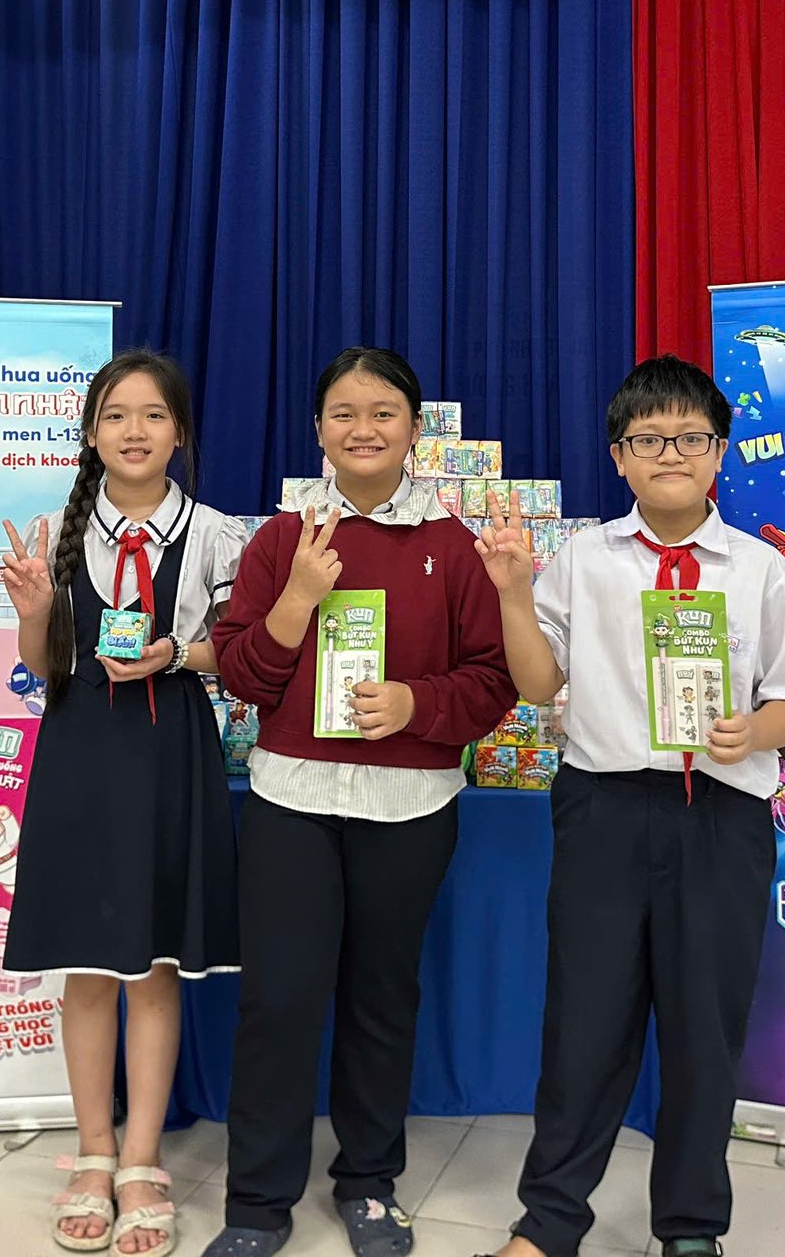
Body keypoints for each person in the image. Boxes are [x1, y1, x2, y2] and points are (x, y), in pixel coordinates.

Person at [474, 354, 785, 1257]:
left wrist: (753, 733)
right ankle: (549, 1222)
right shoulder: (584, 560)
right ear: (619, 456)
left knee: (704, 1030)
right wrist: (514, 594)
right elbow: (537, 683)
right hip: (604, 810)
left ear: (719, 453)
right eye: (649, 439)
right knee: (584, 1024)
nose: (670, 453)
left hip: (721, 818)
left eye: (689, 437)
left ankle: (690, 1227)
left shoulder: (760, 568)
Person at [203, 347, 517, 1257]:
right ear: (318, 430)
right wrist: (299, 597)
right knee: (279, 1000)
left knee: (383, 998)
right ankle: (257, 1203)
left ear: (416, 430)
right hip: (291, 801)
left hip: (410, 804)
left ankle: (369, 1184)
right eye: (344, 412)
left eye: (384, 413)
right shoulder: (281, 541)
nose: (364, 429)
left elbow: (494, 680)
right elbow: (242, 675)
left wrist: (418, 704)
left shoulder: (455, 547)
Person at [0, 350, 247, 1257]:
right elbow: (45, 667)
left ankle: (143, 1158)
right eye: (115, 415)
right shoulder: (58, 530)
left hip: (168, 750)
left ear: (180, 432)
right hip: (80, 752)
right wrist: (33, 609)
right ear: (91, 433)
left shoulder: (216, 534)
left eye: (152, 415)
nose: (134, 431)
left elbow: (241, 654)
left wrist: (176, 652)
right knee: (89, 965)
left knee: (155, 964)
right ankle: (94, 1152)